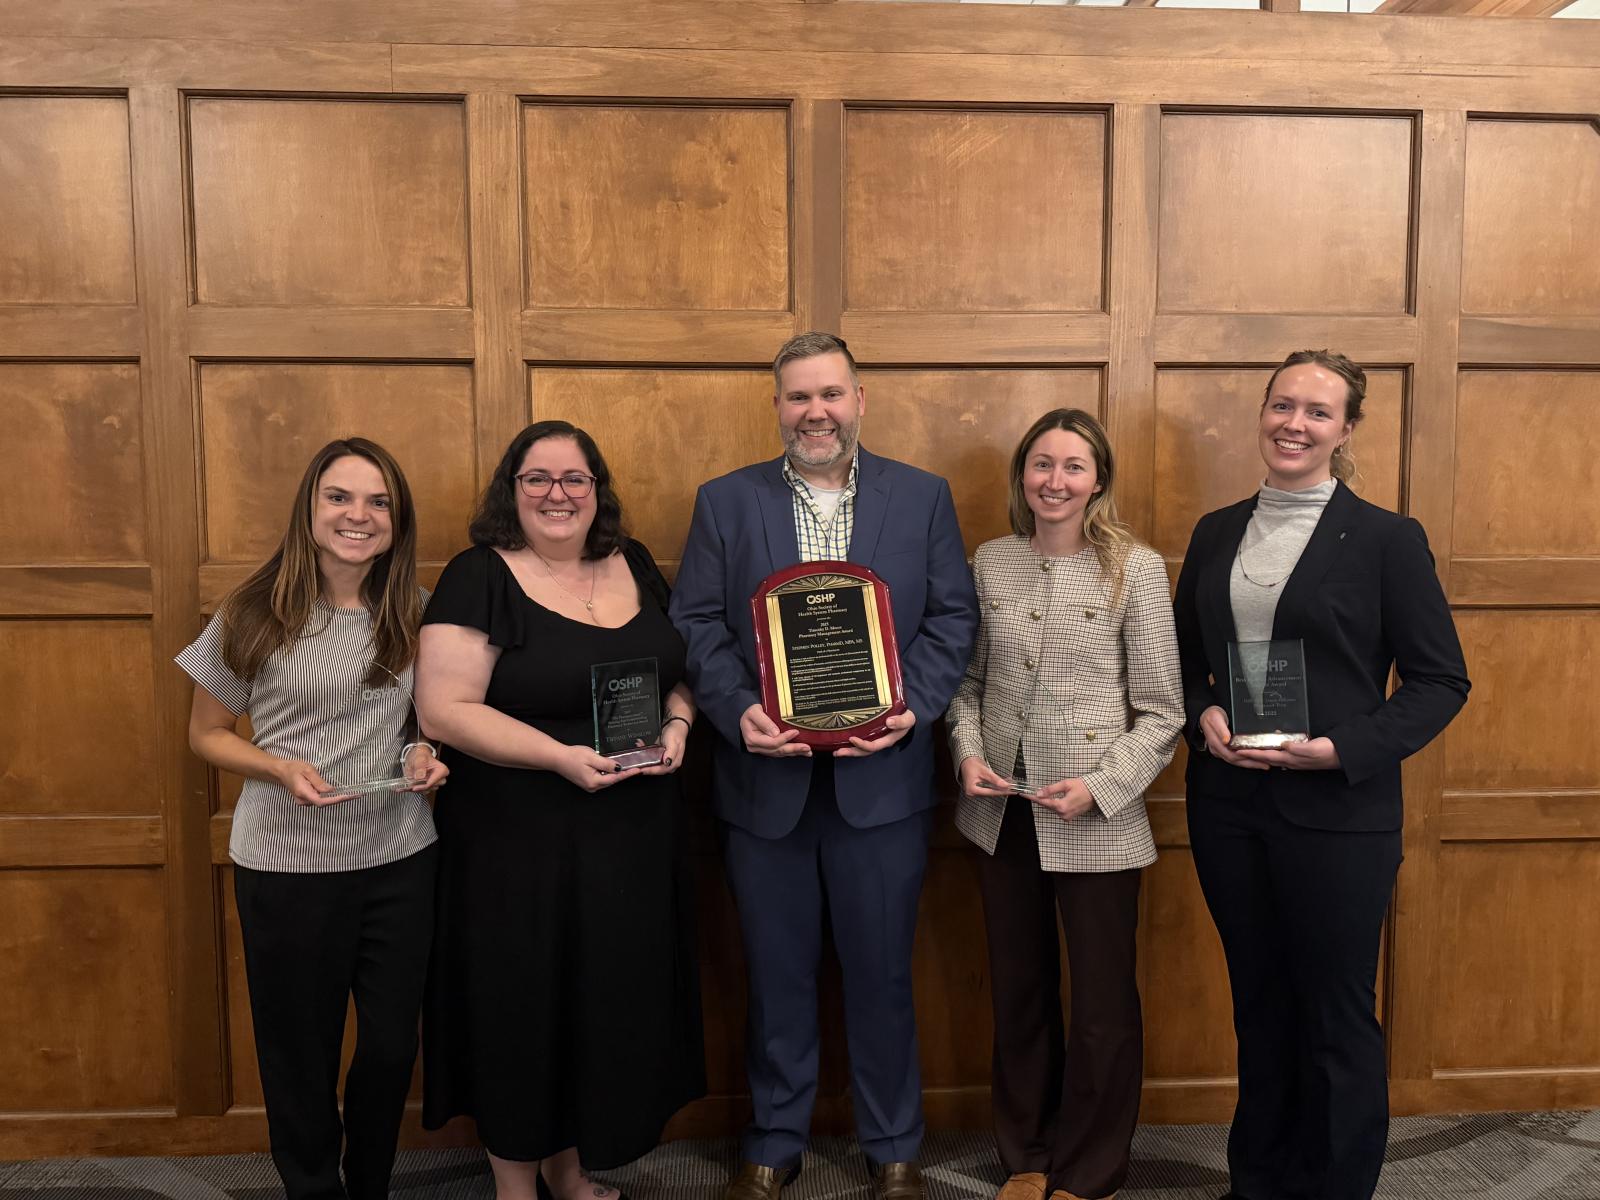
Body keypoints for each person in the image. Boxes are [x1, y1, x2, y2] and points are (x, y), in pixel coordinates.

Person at [670, 331, 978, 1200]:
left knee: (883, 972)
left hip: (882, 787)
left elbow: (953, 619)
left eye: (831, 395)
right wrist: (739, 715)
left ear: (860, 400)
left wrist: (909, 707)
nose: (817, 412)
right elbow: (694, 622)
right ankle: (774, 1139)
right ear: (777, 407)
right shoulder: (725, 503)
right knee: (774, 972)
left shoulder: (920, 498)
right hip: (763, 785)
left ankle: (893, 1147)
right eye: (799, 397)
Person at [1173, 350, 1470, 1200]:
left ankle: (1335, 1187)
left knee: (1335, 1016)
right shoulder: (1216, 531)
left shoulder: (1386, 538)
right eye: (1281, 405)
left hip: (1339, 813)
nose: (1293, 424)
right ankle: (1258, 1183)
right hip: (1230, 805)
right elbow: (1192, 663)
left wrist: (1341, 750)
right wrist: (1206, 715)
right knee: (1260, 1007)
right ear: (1262, 413)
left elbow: (1441, 680)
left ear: (1346, 430)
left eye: (1316, 412)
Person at [414, 420, 704, 1200]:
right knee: (522, 1000)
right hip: (518, 837)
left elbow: (677, 667)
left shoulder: (633, 563)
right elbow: (442, 709)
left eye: (574, 478)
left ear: (597, 490)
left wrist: (678, 724)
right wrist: (557, 757)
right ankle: (515, 1186)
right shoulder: (478, 574)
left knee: (598, 998)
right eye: (536, 478)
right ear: (511, 490)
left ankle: (570, 1169)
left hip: (630, 832)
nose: (556, 494)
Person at [177, 437, 449, 1200]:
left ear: (397, 520)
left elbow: (426, 723)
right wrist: (276, 766)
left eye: (378, 502)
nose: (358, 515)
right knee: (299, 1055)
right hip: (286, 870)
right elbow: (204, 736)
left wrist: (425, 754)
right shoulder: (253, 610)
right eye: (340, 497)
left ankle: (368, 1184)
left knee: (393, 1047)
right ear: (310, 507)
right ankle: (311, 1189)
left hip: (399, 858)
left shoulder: (419, 612)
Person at [947, 408, 1182, 1200]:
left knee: (1103, 1008)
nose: (1055, 480)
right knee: (1019, 996)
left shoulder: (1136, 569)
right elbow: (968, 688)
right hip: (1003, 813)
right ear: (1022, 476)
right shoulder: (991, 562)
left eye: (1073, 466)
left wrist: (1101, 786)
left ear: (1099, 481)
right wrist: (968, 754)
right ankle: (1028, 1157)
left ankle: (1090, 1168)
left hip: (1097, 818)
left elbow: (1163, 710)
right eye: (1041, 464)